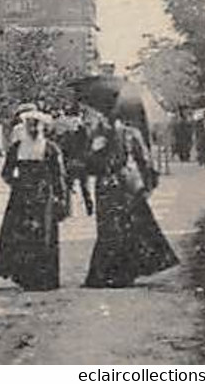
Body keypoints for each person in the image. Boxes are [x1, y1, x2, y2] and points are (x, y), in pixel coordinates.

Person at [82, 105, 180, 289]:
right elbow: (88, 166)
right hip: (107, 186)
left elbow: (144, 159)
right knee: (107, 229)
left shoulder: (130, 134)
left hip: (125, 185)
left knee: (129, 226)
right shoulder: (97, 136)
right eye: (105, 117)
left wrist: (148, 184)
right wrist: (95, 151)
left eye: (110, 117)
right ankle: (105, 273)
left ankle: (124, 272)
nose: (107, 120)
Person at [0, 107, 68, 291]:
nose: (33, 128)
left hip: (44, 197)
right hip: (21, 197)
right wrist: (17, 183)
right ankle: (23, 276)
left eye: (37, 125)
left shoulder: (50, 148)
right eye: (30, 125)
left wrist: (60, 197)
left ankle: (44, 279)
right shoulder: (17, 148)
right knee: (20, 235)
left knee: (43, 235)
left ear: (42, 127)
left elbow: (59, 176)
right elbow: (6, 172)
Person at [55, 109, 95, 217]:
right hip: (81, 163)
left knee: (69, 187)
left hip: (72, 163)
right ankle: (89, 208)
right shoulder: (84, 134)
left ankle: (68, 210)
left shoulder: (68, 135)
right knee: (84, 187)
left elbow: (63, 149)